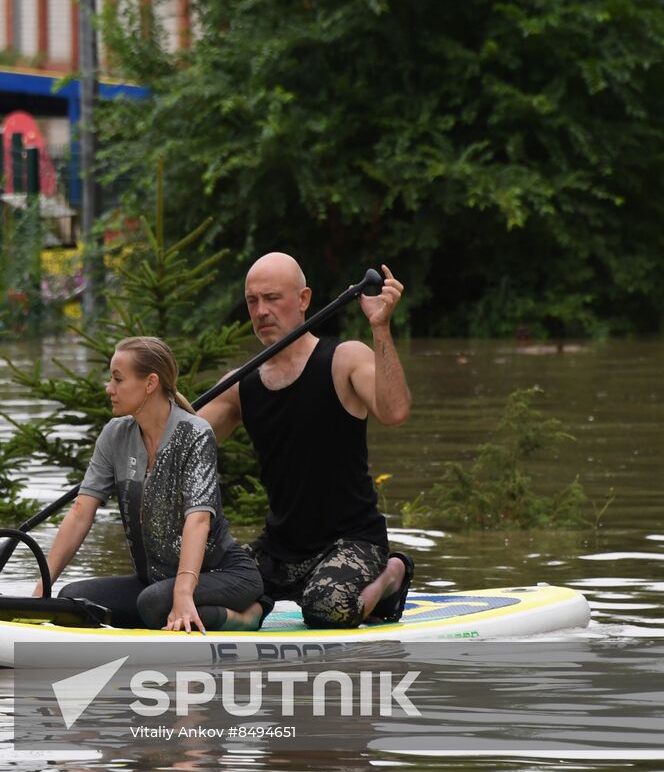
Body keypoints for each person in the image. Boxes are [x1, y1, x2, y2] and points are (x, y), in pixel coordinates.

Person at [198, 253, 413, 629]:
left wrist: (380, 328)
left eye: (272, 298)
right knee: (202, 584)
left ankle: (392, 574)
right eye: (253, 301)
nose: (261, 311)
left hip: (353, 542)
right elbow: (183, 440)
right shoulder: (240, 384)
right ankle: (256, 609)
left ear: (303, 299)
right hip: (280, 548)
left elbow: (394, 412)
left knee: (325, 610)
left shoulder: (344, 358)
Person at [33, 336, 266, 633]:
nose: (109, 388)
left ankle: (249, 614)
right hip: (155, 581)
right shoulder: (115, 434)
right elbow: (80, 512)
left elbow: (197, 521)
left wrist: (182, 593)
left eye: (118, 379)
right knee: (73, 600)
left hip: (224, 574)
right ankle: (172, 610)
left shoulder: (195, 433)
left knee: (154, 603)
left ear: (150, 383)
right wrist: (44, 587)